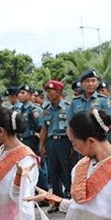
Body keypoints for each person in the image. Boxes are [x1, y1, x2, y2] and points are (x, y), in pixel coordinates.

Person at [39, 80, 74, 210]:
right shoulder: (46, 110)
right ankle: (56, 201)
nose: (48, 94)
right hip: (52, 142)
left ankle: (70, 199)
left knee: (67, 171)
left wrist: (72, 145)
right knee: (54, 173)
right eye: (47, 91)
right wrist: (41, 146)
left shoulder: (68, 107)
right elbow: (44, 129)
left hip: (65, 141)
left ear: (59, 92)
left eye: (50, 91)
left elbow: (72, 126)